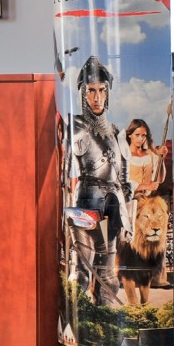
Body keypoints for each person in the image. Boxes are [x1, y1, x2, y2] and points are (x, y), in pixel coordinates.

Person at [66, 56, 128, 306]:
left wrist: (126, 210)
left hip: (111, 207)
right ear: (83, 93)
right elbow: (64, 171)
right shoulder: (74, 126)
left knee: (107, 276)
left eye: (102, 90)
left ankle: (105, 320)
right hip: (86, 204)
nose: (97, 97)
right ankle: (77, 323)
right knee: (81, 269)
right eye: (91, 91)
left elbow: (121, 176)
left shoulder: (114, 131)